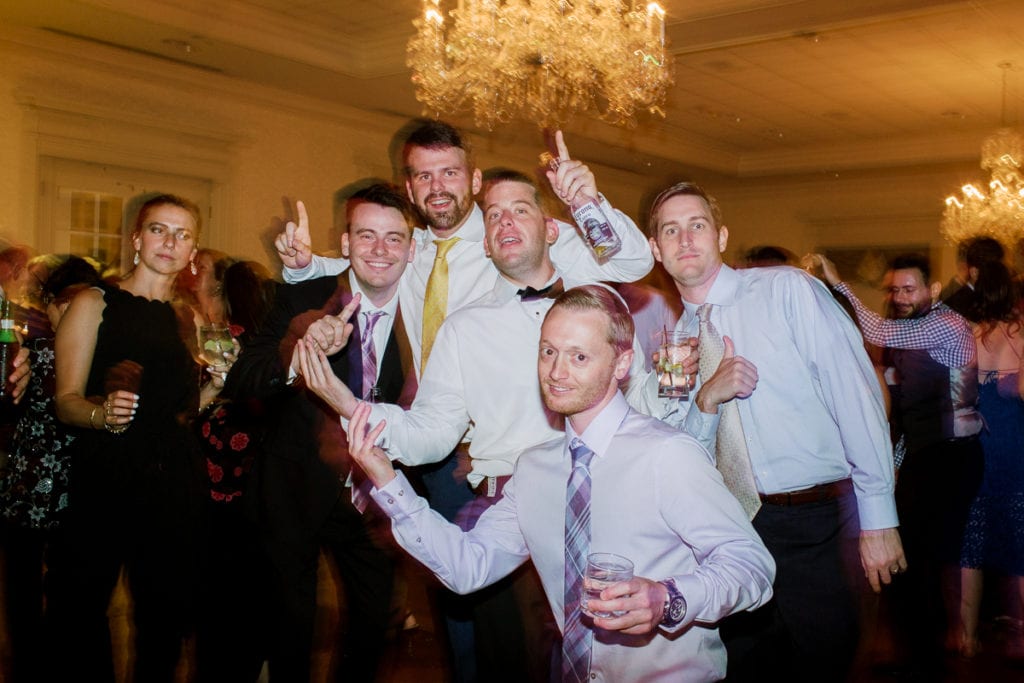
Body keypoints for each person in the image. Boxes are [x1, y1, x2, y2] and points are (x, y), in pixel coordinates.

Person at [278, 121, 654, 680]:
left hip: (598, 485)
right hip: (474, 468)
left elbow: (630, 264)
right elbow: (364, 263)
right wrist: (306, 272)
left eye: (450, 172)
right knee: (476, 623)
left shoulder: (575, 279)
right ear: (408, 187)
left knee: (609, 650)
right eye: (424, 175)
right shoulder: (417, 254)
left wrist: (586, 201)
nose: (438, 186)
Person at [341, 284, 775, 682]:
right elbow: (466, 567)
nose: (557, 372)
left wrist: (668, 598)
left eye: (578, 356)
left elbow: (752, 566)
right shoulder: (535, 469)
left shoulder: (667, 455)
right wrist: (386, 478)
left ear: (622, 362)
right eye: (548, 352)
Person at [636, 183, 904, 683]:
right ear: (656, 250)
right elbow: (680, 452)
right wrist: (705, 399)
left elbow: (857, 397)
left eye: (696, 225)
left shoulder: (787, 290)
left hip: (814, 524)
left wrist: (879, 516)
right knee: (744, 668)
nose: (685, 239)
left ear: (721, 235)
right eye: (670, 230)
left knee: (828, 661)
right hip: (728, 531)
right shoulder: (673, 343)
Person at [223, 183, 418, 682]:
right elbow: (243, 378)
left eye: (394, 238)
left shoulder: (427, 313)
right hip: (293, 488)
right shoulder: (303, 295)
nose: (380, 250)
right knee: (290, 630)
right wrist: (301, 350)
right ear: (345, 242)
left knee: (372, 632)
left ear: (412, 249)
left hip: (376, 498)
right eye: (366, 235)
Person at [49, 194, 224, 682]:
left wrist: (214, 385)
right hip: (107, 468)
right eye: (158, 229)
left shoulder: (188, 317)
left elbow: (183, 412)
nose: (170, 242)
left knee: (163, 614)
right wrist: (102, 415)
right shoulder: (93, 302)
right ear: (136, 238)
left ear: (193, 252)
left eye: (183, 234)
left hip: (174, 477)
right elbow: (66, 400)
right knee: (82, 603)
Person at [815, 251, 982, 678]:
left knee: (921, 559)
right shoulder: (916, 332)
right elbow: (901, 383)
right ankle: (912, 652)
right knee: (913, 559)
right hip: (928, 454)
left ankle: (923, 660)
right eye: (895, 289)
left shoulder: (946, 324)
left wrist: (839, 283)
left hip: (951, 456)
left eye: (909, 289)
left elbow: (875, 327)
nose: (900, 296)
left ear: (934, 290)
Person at [0, 256, 100, 682]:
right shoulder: (32, 352)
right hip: (51, 490)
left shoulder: (52, 354)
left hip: (49, 488)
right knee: (46, 591)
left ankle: (39, 665)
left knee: (42, 590)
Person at [192, 258, 277, 681]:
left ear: (219, 291)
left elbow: (190, 410)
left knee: (221, 593)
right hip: (251, 484)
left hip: (218, 484)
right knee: (249, 588)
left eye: (202, 276)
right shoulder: (258, 338)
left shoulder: (219, 341)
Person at [955, 258, 1024, 658]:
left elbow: (955, 397)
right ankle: (1020, 636)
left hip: (977, 449)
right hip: (1014, 450)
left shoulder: (966, 336)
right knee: (1019, 542)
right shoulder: (1020, 336)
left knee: (973, 544)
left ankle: (966, 637)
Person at [943, 236, 1006, 323]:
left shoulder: (994, 299)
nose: (1002, 276)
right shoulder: (955, 308)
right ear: (974, 273)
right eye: (995, 271)